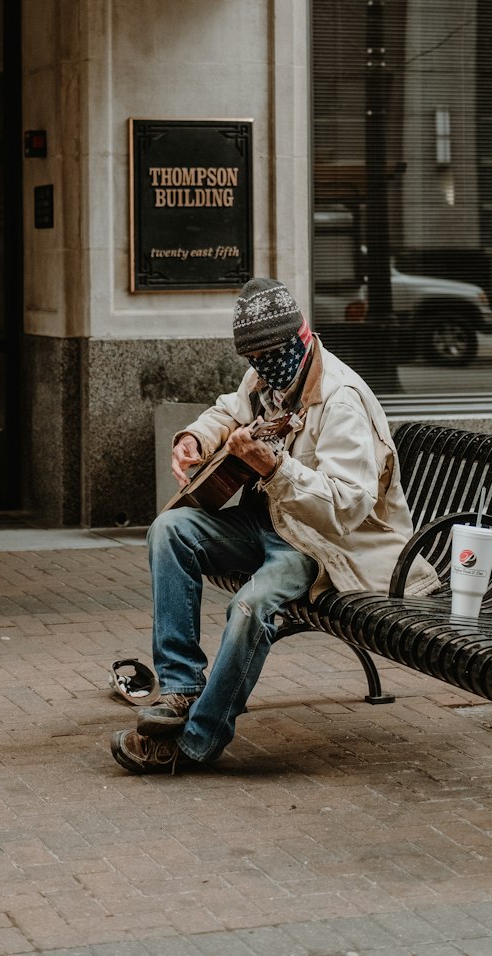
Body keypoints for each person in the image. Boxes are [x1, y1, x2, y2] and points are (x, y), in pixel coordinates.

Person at [111, 276, 439, 774]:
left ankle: (196, 743)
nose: (261, 369)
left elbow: (347, 508)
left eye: (270, 356)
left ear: (299, 337)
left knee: (251, 604)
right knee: (169, 531)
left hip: (322, 544)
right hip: (270, 522)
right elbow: (229, 410)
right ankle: (181, 688)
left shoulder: (341, 399)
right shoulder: (269, 377)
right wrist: (195, 440)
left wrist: (274, 468)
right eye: (253, 360)